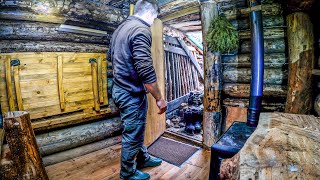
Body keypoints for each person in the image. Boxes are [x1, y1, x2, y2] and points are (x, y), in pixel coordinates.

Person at [108, 0, 167, 179]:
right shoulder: (141, 30)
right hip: (129, 93)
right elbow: (145, 69)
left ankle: (142, 158)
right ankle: (127, 173)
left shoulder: (121, 28)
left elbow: (110, 55)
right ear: (150, 13)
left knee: (137, 128)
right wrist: (159, 98)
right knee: (133, 133)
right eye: (155, 17)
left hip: (119, 88)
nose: (154, 21)